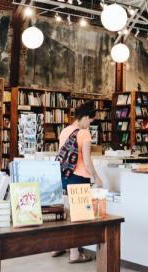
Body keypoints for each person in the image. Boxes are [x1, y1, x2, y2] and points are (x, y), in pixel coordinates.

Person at [53, 100, 104, 263]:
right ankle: (75, 254)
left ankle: (58, 246)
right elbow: (87, 161)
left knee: (67, 214)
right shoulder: (84, 133)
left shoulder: (64, 131)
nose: (89, 124)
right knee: (78, 216)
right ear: (85, 117)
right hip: (79, 178)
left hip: (64, 177)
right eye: (90, 120)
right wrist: (96, 177)